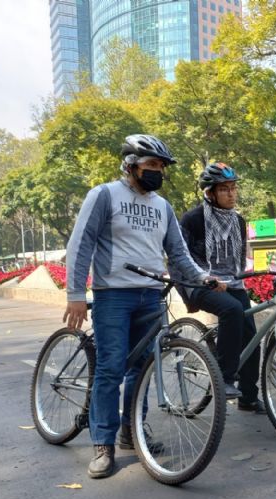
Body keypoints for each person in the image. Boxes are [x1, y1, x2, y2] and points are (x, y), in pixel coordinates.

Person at [64, 134, 211, 479]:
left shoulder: (163, 206)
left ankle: (131, 431)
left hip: (152, 294)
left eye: (160, 167)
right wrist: (74, 294)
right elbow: (80, 244)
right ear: (130, 166)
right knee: (111, 368)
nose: (157, 172)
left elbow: (178, 253)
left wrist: (203, 278)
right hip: (113, 295)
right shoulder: (104, 195)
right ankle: (102, 444)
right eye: (151, 165)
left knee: (142, 369)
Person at [172, 162, 265, 414]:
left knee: (252, 338)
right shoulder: (193, 219)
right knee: (232, 310)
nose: (232, 194)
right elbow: (179, 257)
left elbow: (238, 258)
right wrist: (189, 292)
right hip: (200, 281)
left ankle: (248, 396)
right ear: (210, 192)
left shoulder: (239, 220)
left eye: (234, 188)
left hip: (232, 282)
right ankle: (224, 378)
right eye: (225, 189)